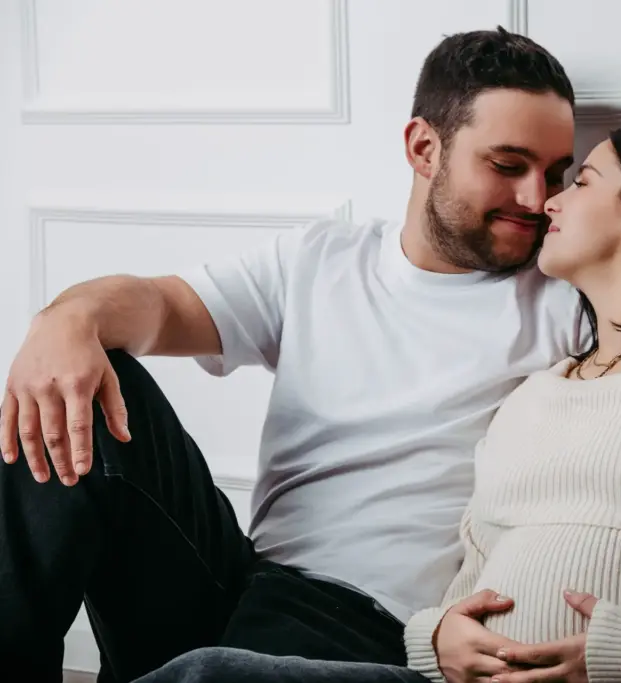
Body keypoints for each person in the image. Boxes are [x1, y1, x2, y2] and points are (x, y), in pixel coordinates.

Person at [126, 128, 621, 683]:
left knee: (208, 675)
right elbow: (472, 564)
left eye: (581, 181)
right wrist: (437, 635)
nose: (550, 201)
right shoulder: (540, 388)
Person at [0, 27, 584, 683]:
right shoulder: (323, 259)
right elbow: (162, 306)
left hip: (382, 636)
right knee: (83, 386)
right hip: (246, 582)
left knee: (211, 675)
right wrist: (66, 318)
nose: (538, 200)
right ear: (424, 148)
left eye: (556, 173)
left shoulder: (566, 302)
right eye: (508, 166)